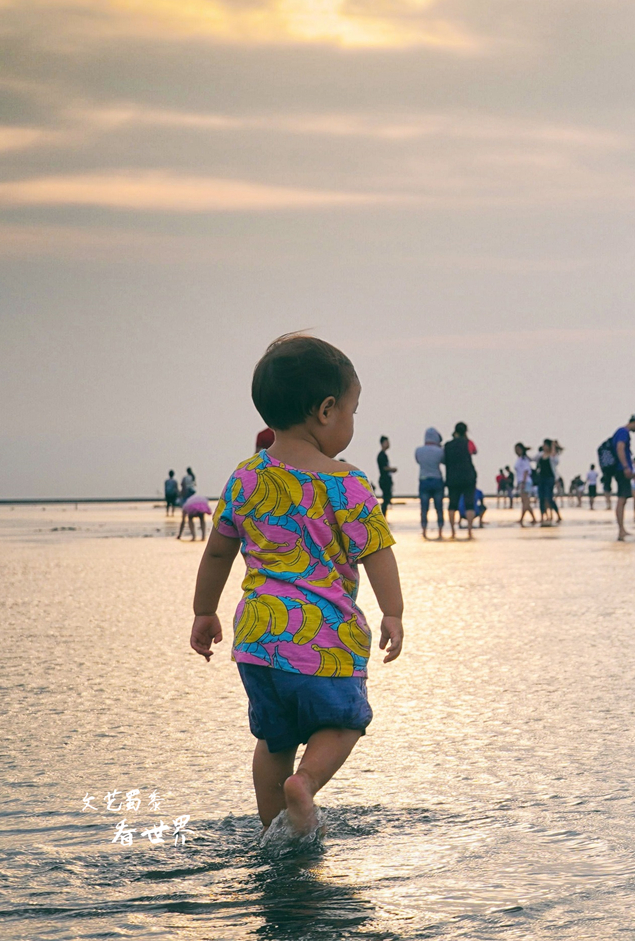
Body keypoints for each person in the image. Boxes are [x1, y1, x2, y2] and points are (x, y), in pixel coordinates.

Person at [186, 333, 403, 846]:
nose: (352, 421)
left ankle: (274, 834)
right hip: (325, 635)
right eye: (352, 410)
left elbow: (217, 553)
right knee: (345, 721)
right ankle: (304, 786)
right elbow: (377, 553)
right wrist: (393, 613)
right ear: (326, 410)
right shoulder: (346, 483)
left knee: (273, 738)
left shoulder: (245, 477)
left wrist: (203, 611)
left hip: (259, 638)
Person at [601, 414, 635, 540]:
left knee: (623, 499)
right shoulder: (623, 432)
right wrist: (626, 466)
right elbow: (620, 448)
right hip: (621, 469)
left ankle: (622, 529)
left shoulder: (621, 432)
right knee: (622, 499)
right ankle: (621, 530)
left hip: (620, 469)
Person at [443, 422, 477, 540]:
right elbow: (474, 451)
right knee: (469, 504)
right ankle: (469, 531)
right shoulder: (468, 443)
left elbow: (444, 459)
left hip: (452, 477)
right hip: (468, 477)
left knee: (452, 504)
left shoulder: (448, 445)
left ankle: (453, 531)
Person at [414, 428, 445, 539]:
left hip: (424, 480)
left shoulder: (419, 451)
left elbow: (418, 461)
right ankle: (440, 531)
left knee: (424, 508)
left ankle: (424, 531)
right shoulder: (440, 451)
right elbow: (443, 461)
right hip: (437, 480)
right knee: (439, 507)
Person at [512, 443, 536, 526]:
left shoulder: (524, 459)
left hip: (525, 481)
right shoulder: (519, 459)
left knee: (525, 501)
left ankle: (521, 518)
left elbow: (526, 471)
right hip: (521, 481)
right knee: (525, 502)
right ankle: (533, 518)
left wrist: (523, 482)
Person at [375, 436, 396, 516]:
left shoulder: (384, 455)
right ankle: (383, 516)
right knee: (386, 498)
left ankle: (384, 516)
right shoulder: (381, 455)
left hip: (386, 479)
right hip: (384, 480)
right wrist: (392, 469)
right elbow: (384, 468)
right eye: (387, 442)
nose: (388, 444)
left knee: (387, 498)